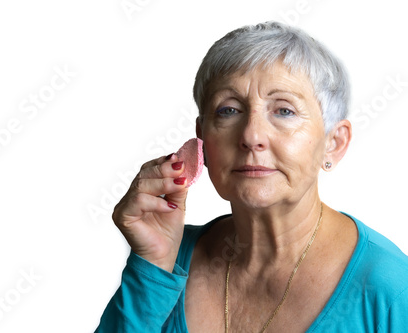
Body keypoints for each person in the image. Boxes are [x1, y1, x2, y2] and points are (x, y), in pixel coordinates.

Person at [95, 21, 408, 332]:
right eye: (229, 110)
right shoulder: (168, 257)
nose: (251, 135)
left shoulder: (391, 290)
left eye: (284, 111)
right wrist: (152, 267)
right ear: (201, 139)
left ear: (333, 143)